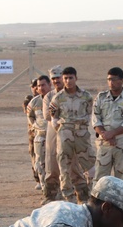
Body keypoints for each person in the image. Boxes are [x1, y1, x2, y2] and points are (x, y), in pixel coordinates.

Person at [49, 66, 96, 203]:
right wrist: (64, 130)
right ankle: (69, 197)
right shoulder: (57, 98)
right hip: (65, 134)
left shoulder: (86, 96)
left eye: (71, 78)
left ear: (76, 78)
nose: (68, 81)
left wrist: (80, 127)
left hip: (82, 134)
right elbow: (54, 119)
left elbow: (89, 115)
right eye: (65, 78)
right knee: (64, 165)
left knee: (90, 164)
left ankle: (92, 195)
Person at [93, 67, 123, 183]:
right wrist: (105, 134)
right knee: (100, 178)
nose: (111, 83)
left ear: (122, 80)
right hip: (104, 144)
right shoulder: (101, 97)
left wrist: (112, 133)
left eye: (114, 79)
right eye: (108, 80)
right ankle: (98, 201)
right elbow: (95, 118)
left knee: (121, 179)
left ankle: (120, 201)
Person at [41, 66, 65, 202]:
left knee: (70, 166)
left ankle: (69, 193)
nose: (56, 80)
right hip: (53, 134)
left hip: (69, 135)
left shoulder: (71, 94)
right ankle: (50, 196)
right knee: (52, 166)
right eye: (54, 78)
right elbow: (47, 115)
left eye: (58, 77)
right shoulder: (49, 97)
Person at [27, 75, 52, 195]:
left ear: (49, 85)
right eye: (38, 86)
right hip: (40, 136)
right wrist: (35, 126)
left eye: (43, 85)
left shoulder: (56, 98)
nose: (41, 88)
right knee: (40, 164)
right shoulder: (35, 102)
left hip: (54, 136)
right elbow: (30, 115)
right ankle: (45, 190)